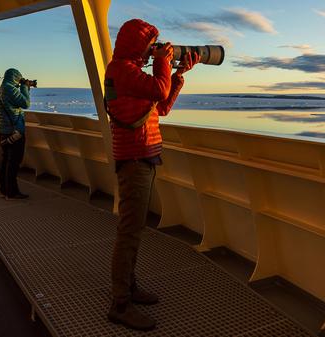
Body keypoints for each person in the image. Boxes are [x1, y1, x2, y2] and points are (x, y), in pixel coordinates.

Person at [104, 19, 199, 331]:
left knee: (135, 227)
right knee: (130, 231)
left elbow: (163, 105)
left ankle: (129, 288)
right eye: (151, 44)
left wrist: (178, 75)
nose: (154, 50)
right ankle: (120, 303)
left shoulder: (132, 75)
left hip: (144, 156)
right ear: (136, 44)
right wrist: (162, 63)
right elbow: (159, 89)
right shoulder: (121, 70)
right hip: (134, 158)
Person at [0, 68, 32, 200]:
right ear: (15, 77)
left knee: (5, 161)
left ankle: (4, 190)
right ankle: (11, 193)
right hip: (15, 132)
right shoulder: (9, 89)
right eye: (19, 78)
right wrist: (25, 87)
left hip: (3, 131)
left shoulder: (0, 89)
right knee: (14, 163)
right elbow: (26, 104)